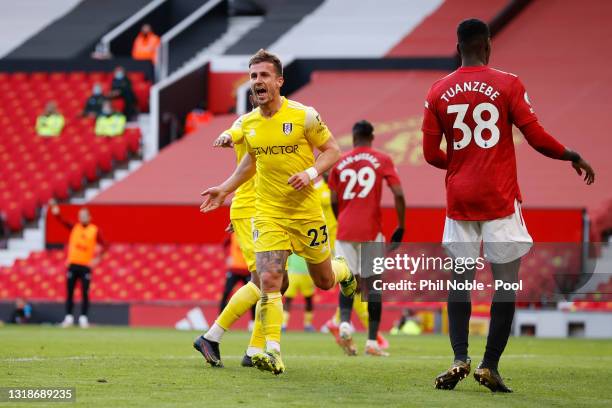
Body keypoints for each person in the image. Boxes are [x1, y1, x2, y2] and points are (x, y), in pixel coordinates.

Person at [422, 19, 595, 392]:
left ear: (458, 47)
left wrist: (459, 166)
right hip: (499, 197)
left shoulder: (438, 90)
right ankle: (490, 366)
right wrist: (571, 154)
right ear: (488, 46)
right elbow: (534, 136)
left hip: (459, 200)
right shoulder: (507, 83)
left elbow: (428, 154)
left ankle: (459, 357)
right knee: (505, 284)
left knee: (460, 281)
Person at [200, 49, 356, 375]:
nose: (257, 81)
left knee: (325, 280)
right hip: (268, 213)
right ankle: (272, 350)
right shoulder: (251, 123)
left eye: (264, 75)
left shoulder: (304, 116)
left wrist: (311, 174)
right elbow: (251, 162)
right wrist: (224, 189)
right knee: (270, 279)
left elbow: (333, 151)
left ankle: (346, 272)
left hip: (305, 213)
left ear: (279, 81)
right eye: (253, 75)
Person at [193, 95, 289, 369]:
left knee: (278, 283)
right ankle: (213, 338)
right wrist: (226, 135)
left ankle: (251, 349)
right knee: (264, 282)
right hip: (252, 210)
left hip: (263, 210)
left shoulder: (278, 125)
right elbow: (235, 131)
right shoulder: (246, 123)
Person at [328, 120, 406, 357]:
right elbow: (399, 193)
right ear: (372, 137)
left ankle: (343, 323)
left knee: (347, 281)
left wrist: (341, 218)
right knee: (373, 287)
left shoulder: (340, 161)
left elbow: (333, 197)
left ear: (353, 138)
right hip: (371, 230)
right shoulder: (382, 159)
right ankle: (372, 342)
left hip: (345, 230)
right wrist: (401, 226)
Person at [50, 200, 107, 328]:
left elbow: (105, 246)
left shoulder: (94, 230)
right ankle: (69, 318)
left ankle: (83, 318)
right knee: (70, 292)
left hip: (86, 266)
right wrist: (56, 211)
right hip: (73, 264)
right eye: (80, 216)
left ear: (90, 217)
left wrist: (97, 259)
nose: (82, 218)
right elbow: (62, 221)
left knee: (85, 293)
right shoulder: (75, 227)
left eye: (85, 215)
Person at [219, 232, 255, 327]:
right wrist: (227, 257)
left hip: (248, 270)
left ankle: (253, 322)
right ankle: (219, 320)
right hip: (234, 269)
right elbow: (224, 244)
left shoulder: (251, 233)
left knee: (253, 296)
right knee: (226, 293)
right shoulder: (233, 233)